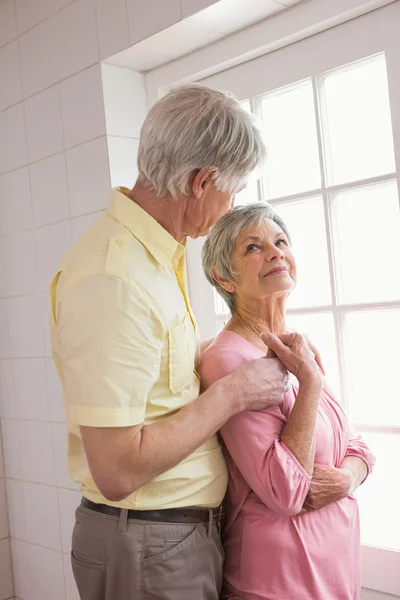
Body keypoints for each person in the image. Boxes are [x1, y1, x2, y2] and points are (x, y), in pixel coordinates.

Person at [49, 85, 290, 600]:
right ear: (202, 182)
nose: (233, 204)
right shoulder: (116, 277)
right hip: (147, 544)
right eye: (234, 189)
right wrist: (234, 393)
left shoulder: (158, 254)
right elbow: (115, 469)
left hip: (165, 540)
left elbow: (149, 386)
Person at [199, 203, 375, 600]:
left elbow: (359, 447)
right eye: (253, 248)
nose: (276, 252)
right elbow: (286, 492)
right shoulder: (228, 360)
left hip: (336, 580)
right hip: (276, 583)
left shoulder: (297, 346)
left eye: (280, 242)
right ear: (223, 278)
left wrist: (346, 479)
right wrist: (309, 381)